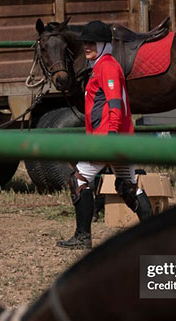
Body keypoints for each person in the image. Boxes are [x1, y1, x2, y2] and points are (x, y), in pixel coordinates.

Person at [56, 20, 152, 250]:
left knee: (78, 179)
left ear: (103, 44)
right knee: (127, 186)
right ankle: (153, 233)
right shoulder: (102, 65)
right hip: (118, 137)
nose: (86, 47)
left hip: (107, 137)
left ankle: (83, 236)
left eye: (91, 43)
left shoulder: (107, 67)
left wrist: (109, 135)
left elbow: (115, 103)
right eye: (85, 43)